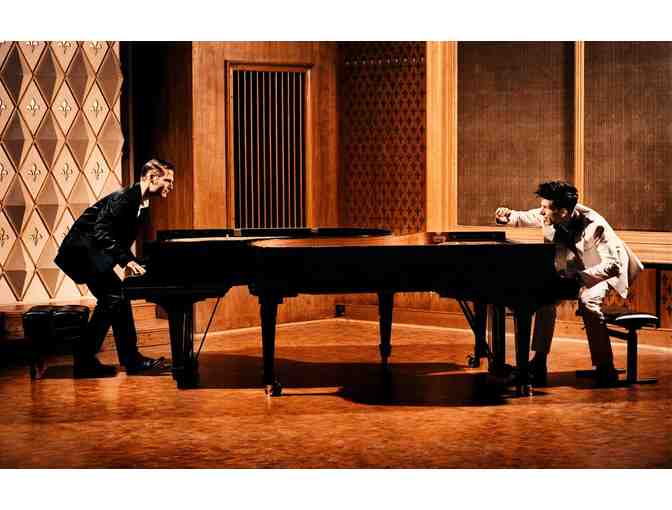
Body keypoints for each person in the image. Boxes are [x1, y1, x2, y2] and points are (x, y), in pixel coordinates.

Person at [494, 180, 643, 387]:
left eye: (545, 208)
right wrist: (506, 216)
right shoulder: (552, 212)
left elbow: (613, 266)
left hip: (599, 270)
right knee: (544, 300)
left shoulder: (595, 225)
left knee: (588, 301)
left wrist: (580, 279)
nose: (541, 212)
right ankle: (539, 362)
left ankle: (605, 368)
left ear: (563, 212)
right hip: (572, 269)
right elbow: (527, 216)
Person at [55, 159, 175, 378]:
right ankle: (86, 359)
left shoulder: (139, 203)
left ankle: (128, 359)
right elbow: (101, 230)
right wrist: (126, 260)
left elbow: (117, 238)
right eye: (168, 180)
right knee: (113, 297)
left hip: (90, 254)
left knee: (118, 297)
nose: (171, 186)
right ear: (152, 177)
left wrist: (134, 261)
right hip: (82, 253)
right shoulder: (125, 198)